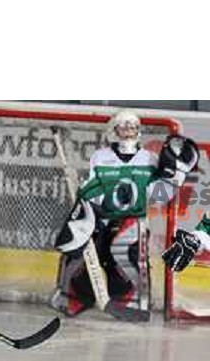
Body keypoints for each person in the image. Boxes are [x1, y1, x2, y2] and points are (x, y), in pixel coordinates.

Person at [52, 110, 199, 318]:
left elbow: (157, 196)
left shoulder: (149, 158)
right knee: (78, 249)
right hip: (101, 217)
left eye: (133, 126)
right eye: (124, 126)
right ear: (114, 130)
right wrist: (92, 205)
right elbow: (93, 189)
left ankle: (131, 300)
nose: (129, 131)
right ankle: (73, 297)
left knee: (126, 249)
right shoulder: (100, 157)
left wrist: (176, 177)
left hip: (133, 221)